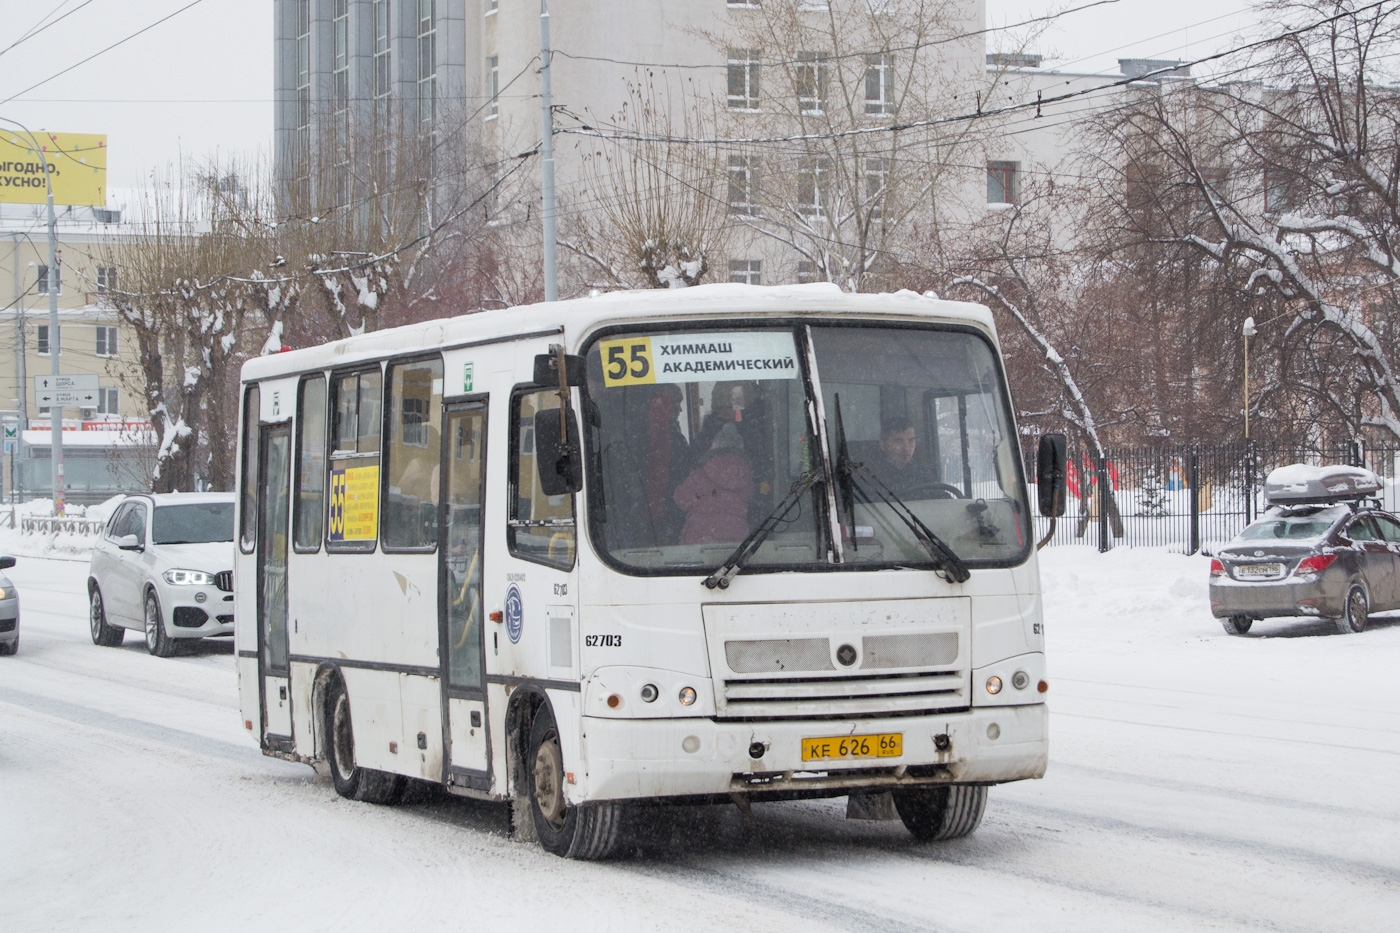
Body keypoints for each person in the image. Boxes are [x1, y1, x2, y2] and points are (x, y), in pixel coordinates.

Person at [674, 423, 754, 545]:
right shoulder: (746, 476)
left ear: (714, 447)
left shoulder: (699, 475)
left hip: (699, 540)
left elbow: (680, 499)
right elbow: (750, 499)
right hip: (736, 542)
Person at [868, 416, 929, 495]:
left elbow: (943, 500)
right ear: (883, 445)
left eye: (911, 440)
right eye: (899, 441)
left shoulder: (922, 473)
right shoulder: (870, 476)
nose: (906, 448)